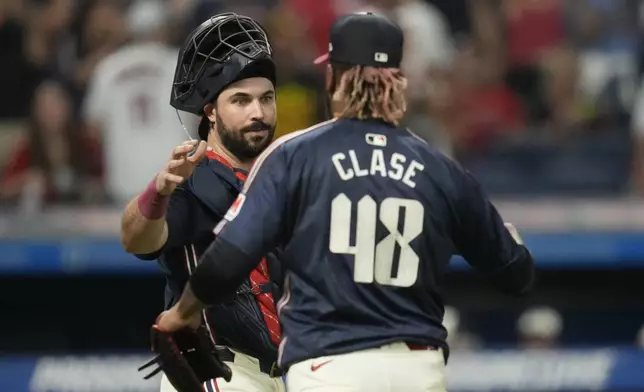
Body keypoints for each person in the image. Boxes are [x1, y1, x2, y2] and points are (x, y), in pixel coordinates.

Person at [156, 12, 535, 392]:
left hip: (331, 367)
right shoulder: (438, 168)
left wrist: (180, 315)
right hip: (419, 368)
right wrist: (512, 246)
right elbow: (516, 275)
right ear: (398, 82)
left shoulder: (294, 156)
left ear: (333, 78)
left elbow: (228, 258)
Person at [119, 12, 285, 392]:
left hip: (273, 377)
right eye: (241, 101)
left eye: (266, 98)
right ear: (210, 111)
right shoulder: (196, 176)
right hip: (219, 373)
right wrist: (158, 192)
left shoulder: (276, 179)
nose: (257, 112)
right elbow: (135, 240)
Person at [83, 0, 197, 204]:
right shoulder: (181, 64)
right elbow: (198, 122)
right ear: (163, 29)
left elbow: (93, 130)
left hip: (124, 181)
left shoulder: (108, 67)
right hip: (173, 178)